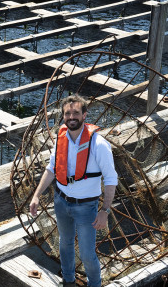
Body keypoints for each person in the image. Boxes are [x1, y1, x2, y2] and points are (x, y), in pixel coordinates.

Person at [29, 95, 118, 287]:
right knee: (65, 244)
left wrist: (105, 211)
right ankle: (68, 281)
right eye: (67, 113)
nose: (71, 117)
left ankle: (94, 284)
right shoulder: (62, 139)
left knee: (87, 254)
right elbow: (51, 169)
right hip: (61, 201)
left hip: (86, 207)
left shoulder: (99, 144)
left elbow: (111, 179)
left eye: (76, 112)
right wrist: (36, 196)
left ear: (85, 114)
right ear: (63, 116)